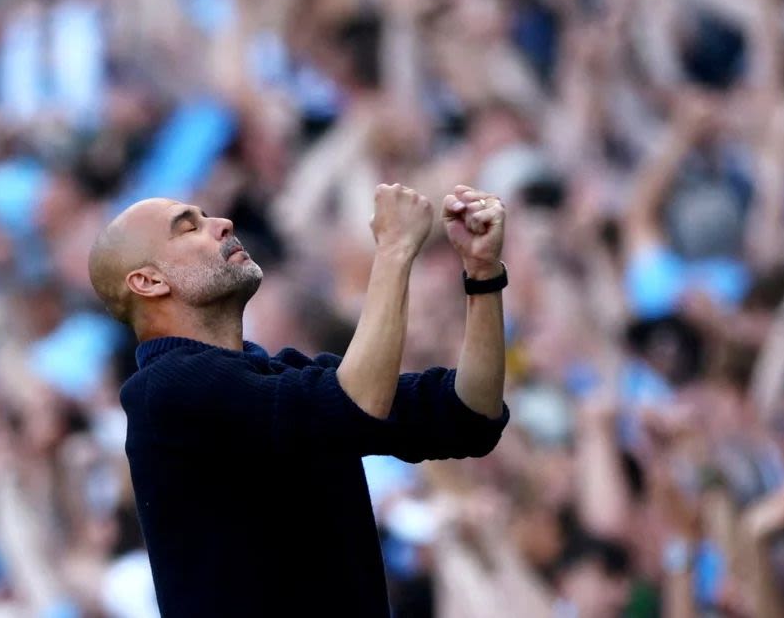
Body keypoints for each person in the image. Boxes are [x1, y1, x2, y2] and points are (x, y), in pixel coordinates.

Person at [87, 183, 512, 617]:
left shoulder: (279, 377)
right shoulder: (165, 391)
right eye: (188, 227)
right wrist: (394, 251)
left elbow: (470, 414)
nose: (223, 224)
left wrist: (483, 276)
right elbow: (352, 408)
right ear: (148, 281)